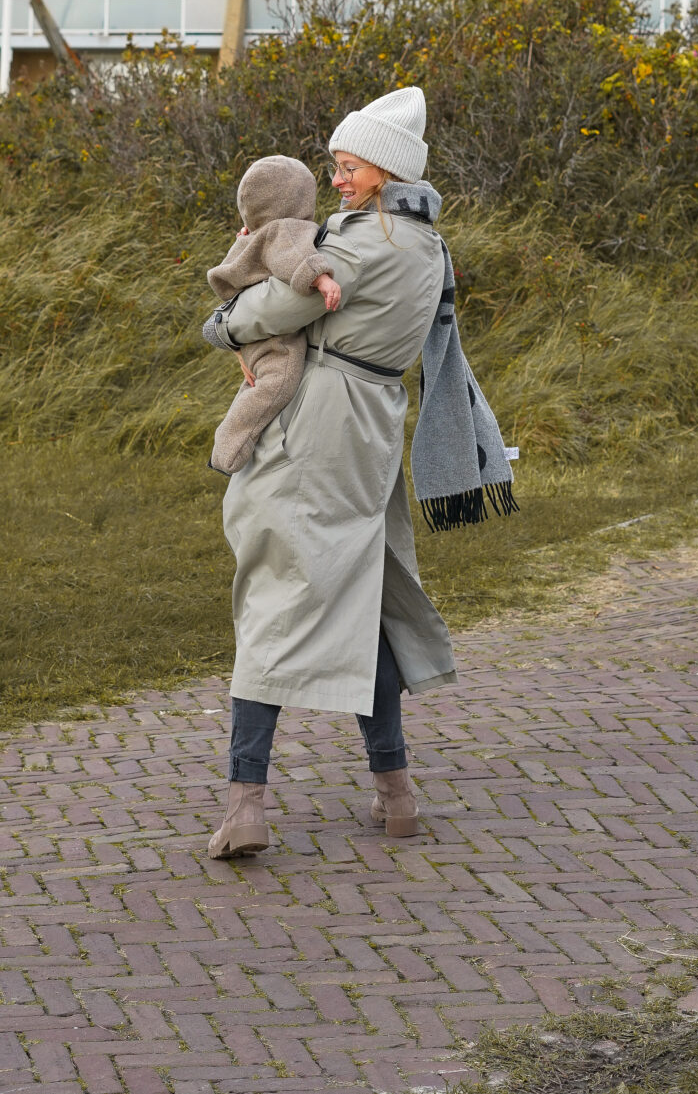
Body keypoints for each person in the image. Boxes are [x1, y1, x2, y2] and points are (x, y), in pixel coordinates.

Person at [201, 84, 515, 861]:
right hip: (374, 422)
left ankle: (246, 806)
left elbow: (279, 309)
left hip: (318, 422)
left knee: (274, 595)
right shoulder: (430, 246)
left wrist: (223, 321)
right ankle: (396, 794)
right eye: (336, 165)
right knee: (361, 602)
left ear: (386, 169)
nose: (337, 179)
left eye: (349, 166)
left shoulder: (362, 243)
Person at [205, 155, 343, 476]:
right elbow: (296, 257)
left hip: (249, 331)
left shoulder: (254, 233)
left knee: (256, 386)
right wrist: (321, 279)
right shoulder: (286, 230)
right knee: (277, 385)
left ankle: (229, 443)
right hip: (275, 337)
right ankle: (228, 452)